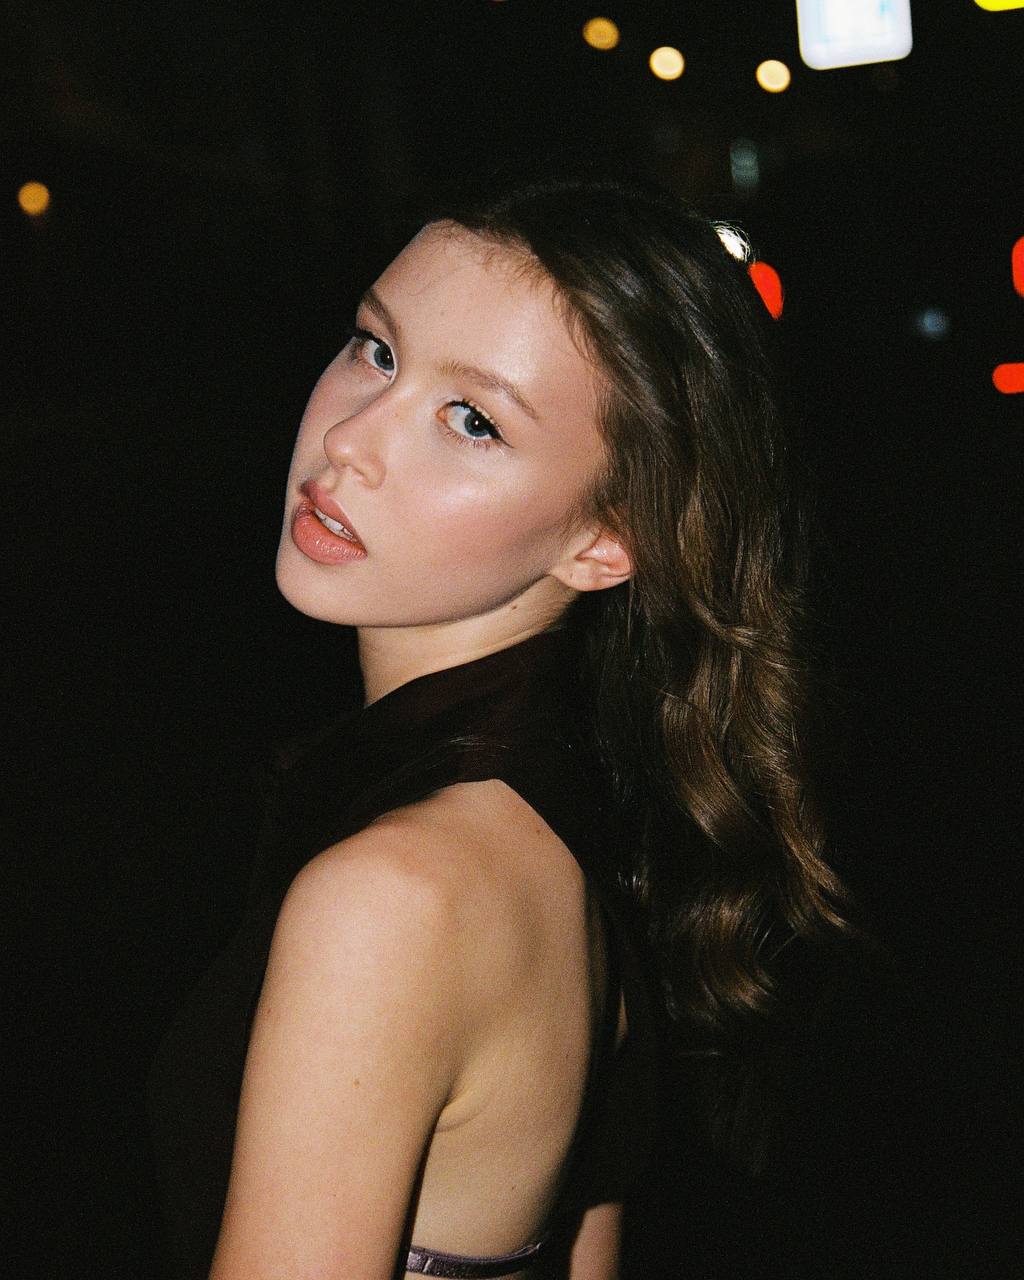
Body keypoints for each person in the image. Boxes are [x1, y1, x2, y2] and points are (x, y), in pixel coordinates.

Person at [147, 174, 845, 1279]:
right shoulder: (565, 826)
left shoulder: (393, 898)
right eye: (376, 349)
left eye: (473, 420)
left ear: (607, 543)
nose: (352, 440)